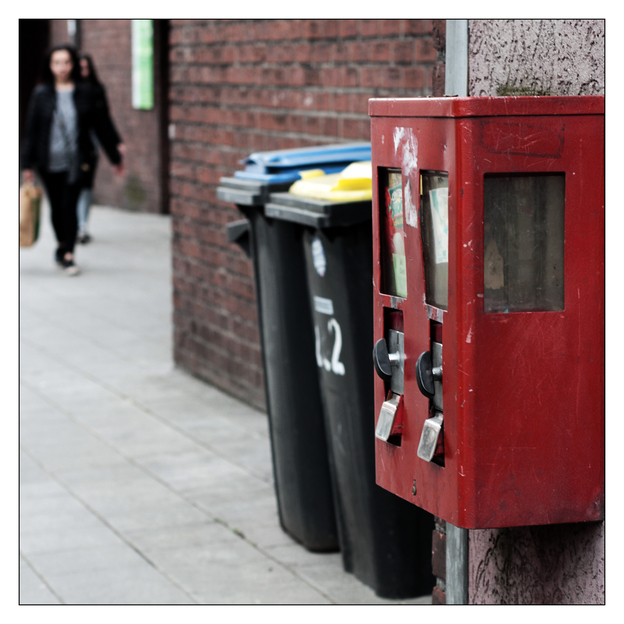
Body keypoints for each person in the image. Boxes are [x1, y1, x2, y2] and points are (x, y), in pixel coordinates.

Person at [20, 44, 124, 275]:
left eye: (66, 62)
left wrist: (115, 157)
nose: (62, 67)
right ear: (50, 66)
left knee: (70, 205)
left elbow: (101, 125)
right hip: (48, 163)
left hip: (77, 161)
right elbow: (32, 131)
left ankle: (69, 255)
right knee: (56, 208)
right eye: (57, 63)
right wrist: (26, 165)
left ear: (73, 64)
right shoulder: (41, 94)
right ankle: (61, 243)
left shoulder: (85, 91)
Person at [75, 53, 125, 244]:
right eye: (80, 68)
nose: (84, 72)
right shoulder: (68, 91)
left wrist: (116, 148)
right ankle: (74, 225)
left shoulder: (96, 90)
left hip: (89, 147)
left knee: (85, 186)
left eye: (86, 68)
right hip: (71, 148)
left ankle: (82, 226)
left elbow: (104, 121)